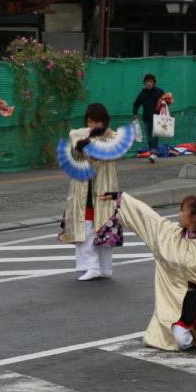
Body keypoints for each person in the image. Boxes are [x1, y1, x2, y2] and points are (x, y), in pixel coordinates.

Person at [110, 193, 196, 351]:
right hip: (173, 307)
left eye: (182, 210)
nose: (179, 214)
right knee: (181, 342)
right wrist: (121, 199)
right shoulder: (168, 235)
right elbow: (147, 216)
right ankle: (189, 334)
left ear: (194, 217)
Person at [59, 103, 123, 281]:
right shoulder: (79, 134)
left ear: (104, 122)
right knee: (85, 227)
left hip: (104, 188)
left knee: (104, 227)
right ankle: (91, 266)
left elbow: (110, 153)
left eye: (95, 122)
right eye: (89, 121)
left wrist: (92, 144)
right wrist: (79, 147)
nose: (92, 125)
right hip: (83, 188)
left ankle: (105, 268)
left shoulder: (114, 138)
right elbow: (74, 151)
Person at [132, 73, 174, 163]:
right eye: (147, 82)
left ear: (154, 83)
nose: (149, 83)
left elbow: (167, 101)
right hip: (146, 118)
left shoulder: (159, 91)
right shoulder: (142, 94)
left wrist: (165, 102)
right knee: (149, 136)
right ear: (145, 83)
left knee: (154, 135)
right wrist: (135, 113)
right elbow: (136, 104)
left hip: (157, 118)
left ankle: (153, 152)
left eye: (150, 82)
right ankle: (152, 153)